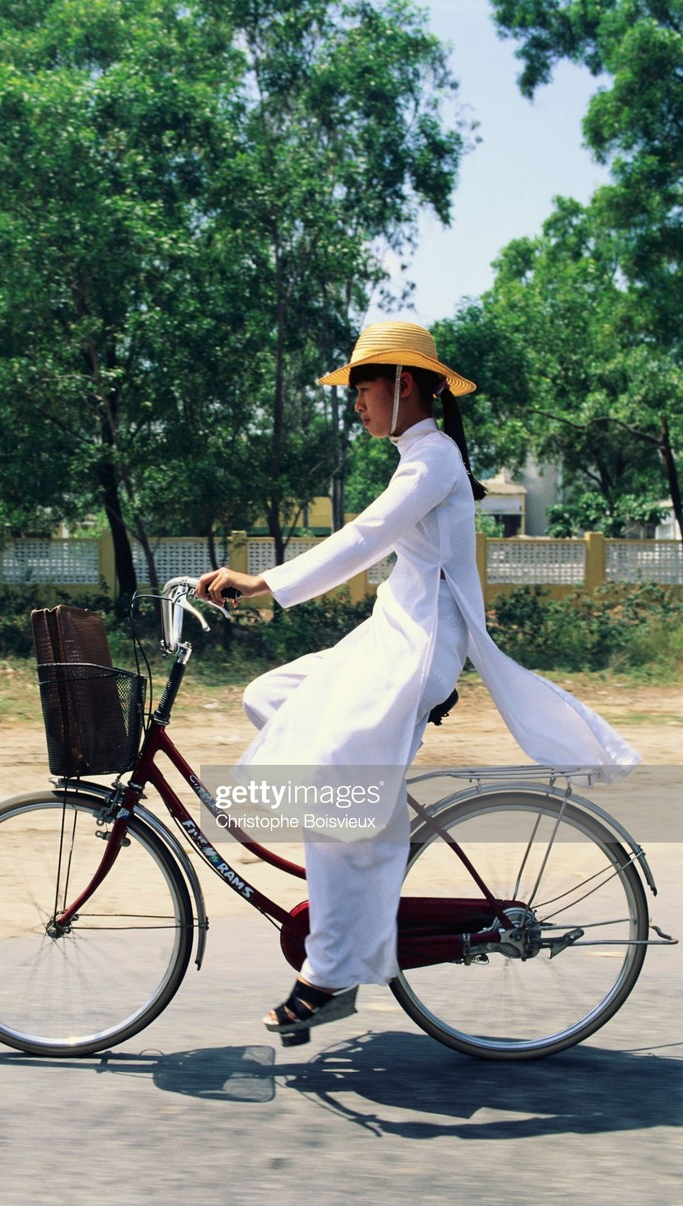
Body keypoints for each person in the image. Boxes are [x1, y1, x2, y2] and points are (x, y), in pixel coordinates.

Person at [196, 320, 638, 1046]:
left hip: (417, 647)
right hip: (388, 635)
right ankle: (370, 831)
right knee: (269, 699)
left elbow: (362, 540)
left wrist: (264, 585)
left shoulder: (433, 460)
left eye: (362, 388)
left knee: (334, 775)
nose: (355, 403)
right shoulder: (418, 458)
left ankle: (330, 972)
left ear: (403, 384)